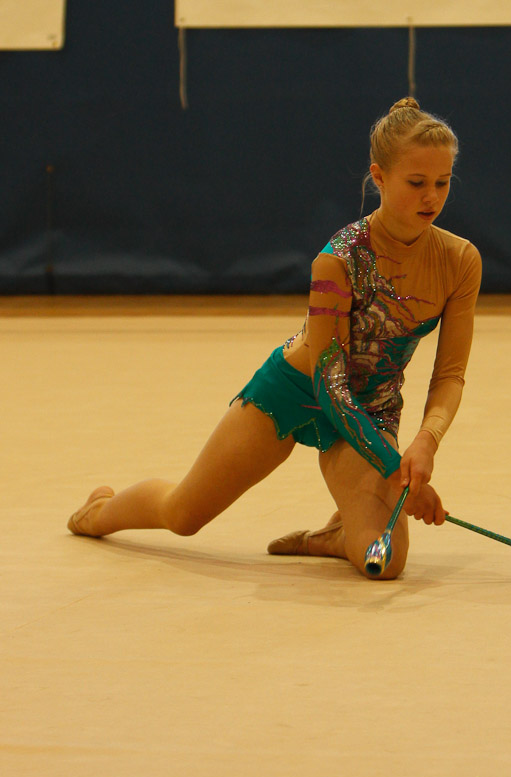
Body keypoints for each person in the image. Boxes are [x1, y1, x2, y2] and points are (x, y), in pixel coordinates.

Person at [67, 97, 482, 579]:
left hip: (371, 410)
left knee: (384, 563)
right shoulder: (338, 260)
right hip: (296, 390)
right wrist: (393, 465)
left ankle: (336, 535)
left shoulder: (460, 261)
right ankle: (99, 512)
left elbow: (450, 374)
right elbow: (330, 384)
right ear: (379, 177)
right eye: (416, 183)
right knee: (183, 515)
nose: (431, 197)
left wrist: (426, 441)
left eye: (442, 182)